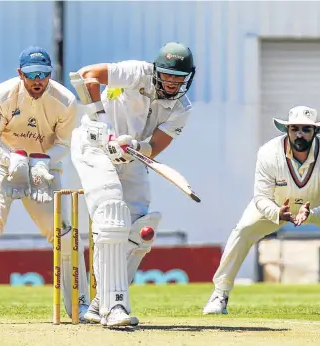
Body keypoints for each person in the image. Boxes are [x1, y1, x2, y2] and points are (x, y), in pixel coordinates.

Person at [202, 106, 320, 316]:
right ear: (287, 130)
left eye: (306, 129)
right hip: (276, 205)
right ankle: (219, 295)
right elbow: (260, 198)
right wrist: (277, 213)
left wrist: (311, 214)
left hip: (318, 204)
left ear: (315, 132)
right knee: (243, 231)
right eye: (295, 129)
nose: (300, 134)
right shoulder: (268, 153)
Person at [68, 42, 196, 327]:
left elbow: (156, 145)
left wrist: (136, 145)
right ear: (156, 70)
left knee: (142, 232)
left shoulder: (182, 107)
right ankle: (115, 306)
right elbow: (88, 74)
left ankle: (101, 302)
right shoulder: (137, 72)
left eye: (180, 77)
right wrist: (101, 122)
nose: (173, 82)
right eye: (168, 75)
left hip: (131, 156)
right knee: (111, 216)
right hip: (94, 147)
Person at [0, 46, 89, 324]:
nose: (38, 80)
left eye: (44, 74)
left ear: (50, 74)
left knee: (64, 233)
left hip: (42, 171)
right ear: (20, 73)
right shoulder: (1, 95)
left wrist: (42, 160)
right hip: (2, 167)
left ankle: (80, 304)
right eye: (32, 74)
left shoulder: (65, 100)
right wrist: (12, 160)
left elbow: (65, 144)